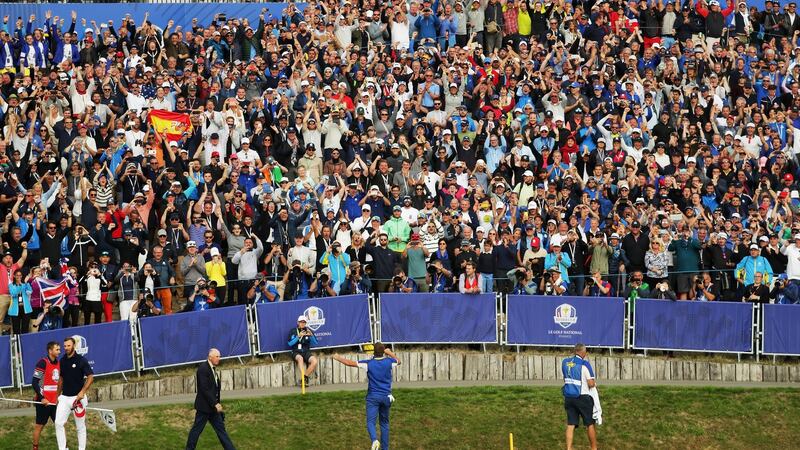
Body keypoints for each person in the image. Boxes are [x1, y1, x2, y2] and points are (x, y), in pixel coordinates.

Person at [333, 343, 401, 450]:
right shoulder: (389, 362)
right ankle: (385, 448)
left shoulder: (368, 363)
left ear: (373, 352)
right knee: (384, 424)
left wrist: (337, 357)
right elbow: (399, 361)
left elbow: (349, 363)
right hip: (386, 397)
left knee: (370, 422)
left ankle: (374, 440)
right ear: (383, 351)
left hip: (373, 397)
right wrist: (389, 353)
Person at [185, 348, 236, 450]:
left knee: (221, 431)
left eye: (219, 356)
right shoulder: (203, 369)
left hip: (212, 409)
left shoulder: (212, 368)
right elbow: (204, 389)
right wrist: (215, 404)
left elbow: (214, 389)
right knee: (196, 430)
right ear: (210, 357)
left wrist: (217, 403)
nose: (219, 358)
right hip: (204, 408)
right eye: (217, 356)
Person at [55, 336, 94, 450]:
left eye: (68, 346)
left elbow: (90, 377)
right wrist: (57, 396)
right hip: (64, 398)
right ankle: (63, 448)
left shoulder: (81, 360)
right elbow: (61, 380)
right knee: (58, 423)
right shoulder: (62, 361)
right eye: (65, 346)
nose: (66, 348)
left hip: (78, 399)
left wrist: (82, 392)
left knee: (80, 427)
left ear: (74, 346)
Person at [562, 343, 599, 450]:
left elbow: (565, 379)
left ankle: (569, 448)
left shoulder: (565, 362)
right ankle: (594, 448)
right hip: (583, 398)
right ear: (583, 352)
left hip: (569, 397)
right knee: (589, 423)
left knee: (571, 423)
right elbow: (591, 383)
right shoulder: (584, 364)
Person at [32, 341, 61, 450]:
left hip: (54, 402)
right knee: (39, 426)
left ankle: (64, 447)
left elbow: (58, 382)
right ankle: (35, 448)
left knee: (60, 425)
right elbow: (34, 382)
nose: (59, 351)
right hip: (43, 402)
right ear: (50, 351)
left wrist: (59, 397)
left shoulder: (58, 363)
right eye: (57, 349)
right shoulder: (42, 363)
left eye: (59, 349)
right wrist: (42, 398)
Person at [288, 315, 318, 386]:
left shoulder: (308, 331)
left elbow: (315, 343)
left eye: (304, 322)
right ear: (298, 322)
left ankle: (304, 378)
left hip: (306, 352)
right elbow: (290, 343)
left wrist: (311, 336)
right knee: (300, 358)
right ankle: (303, 378)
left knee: (314, 361)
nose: (302, 324)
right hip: (296, 352)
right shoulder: (293, 331)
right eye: (301, 322)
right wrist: (298, 337)